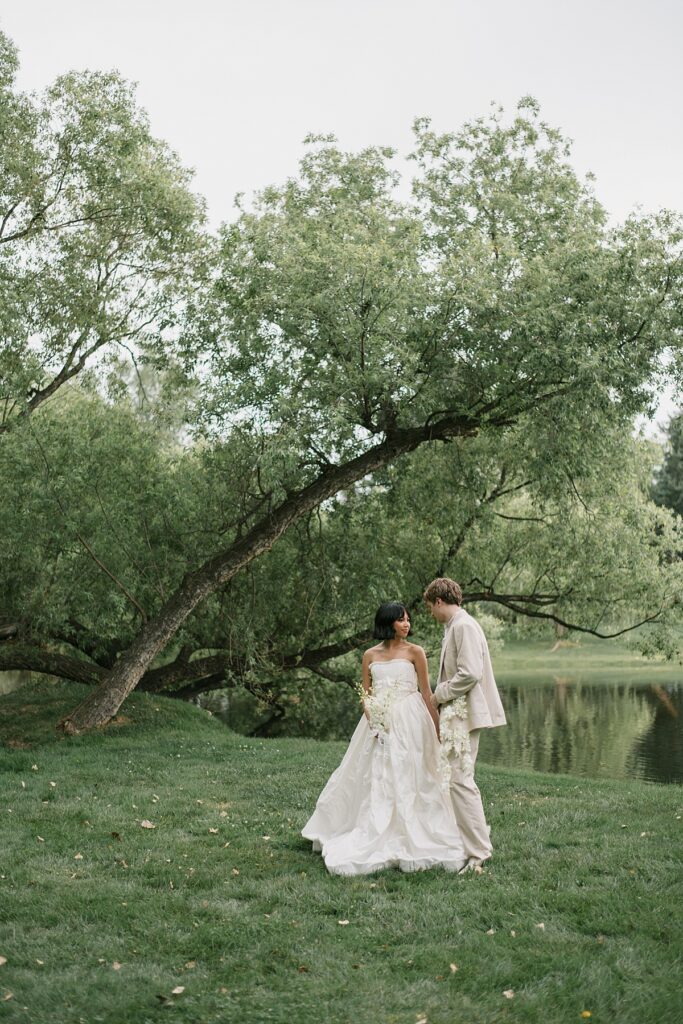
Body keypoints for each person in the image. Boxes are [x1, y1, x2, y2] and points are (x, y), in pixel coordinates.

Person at [302, 601, 467, 875]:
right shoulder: (369, 655)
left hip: (412, 721)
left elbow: (427, 693)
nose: (407, 624)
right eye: (401, 620)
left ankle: (414, 826)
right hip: (377, 722)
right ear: (388, 622)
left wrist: (438, 728)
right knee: (372, 774)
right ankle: (371, 825)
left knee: (414, 772)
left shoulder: (416, 652)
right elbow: (365, 695)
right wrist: (374, 719)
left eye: (408, 620)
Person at [424, 578, 507, 872]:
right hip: (457, 714)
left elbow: (470, 673)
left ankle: (479, 851)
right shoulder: (455, 627)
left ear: (438, 601)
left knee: (460, 779)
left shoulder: (464, 626)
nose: (431, 615)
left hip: (465, 712)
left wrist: (438, 696)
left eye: (430, 608)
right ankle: (469, 842)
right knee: (456, 779)